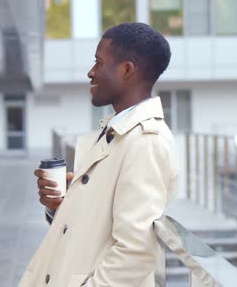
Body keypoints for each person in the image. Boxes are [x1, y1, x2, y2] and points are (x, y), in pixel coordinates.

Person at [19, 22, 179, 287]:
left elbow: (136, 251)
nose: (91, 72)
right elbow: (98, 227)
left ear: (127, 69)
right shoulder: (116, 130)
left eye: (99, 62)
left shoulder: (146, 141)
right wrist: (61, 206)